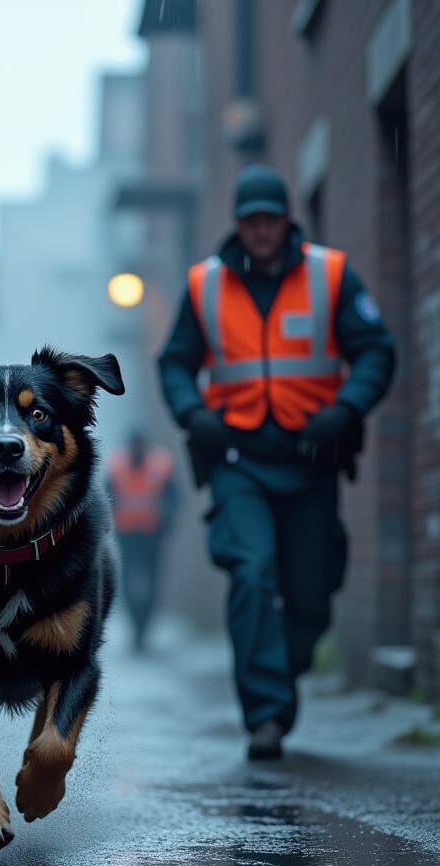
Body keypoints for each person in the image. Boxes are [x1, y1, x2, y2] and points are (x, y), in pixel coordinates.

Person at [157, 165, 395, 759]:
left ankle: (281, 671)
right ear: (238, 224)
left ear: (288, 220)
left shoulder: (330, 276)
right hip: (238, 459)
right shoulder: (205, 285)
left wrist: (344, 410)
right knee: (253, 573)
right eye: (250, 221)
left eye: (271, 219)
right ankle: (265, 715)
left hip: (312, 457)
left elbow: (376, 351)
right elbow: (174, 363)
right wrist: (195, 414)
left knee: (310, 593)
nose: (261, 231)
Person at [107, 430, 177, 652]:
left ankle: (144, 630)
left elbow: (174, 499)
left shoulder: (161, 466)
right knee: (128, 581)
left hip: (152, 535)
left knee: (153, 581)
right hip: (127, 534)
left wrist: (165, 526)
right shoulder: (116, 467)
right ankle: (136, 629)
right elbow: (106, 499)